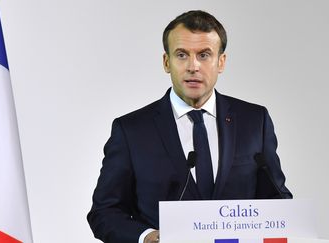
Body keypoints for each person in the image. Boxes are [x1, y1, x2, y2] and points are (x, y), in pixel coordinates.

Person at [87, 10, 292, 243]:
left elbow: (277, 200)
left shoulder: (255, 121)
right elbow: (104, 212)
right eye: (182, 55)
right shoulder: (131, 130)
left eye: (204, 55)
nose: (193, 66)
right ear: (167, 62)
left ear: (221, 62)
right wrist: (147, 237)